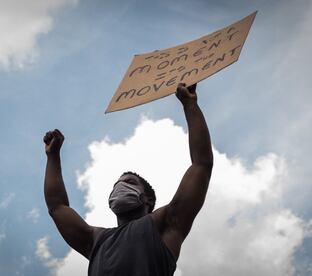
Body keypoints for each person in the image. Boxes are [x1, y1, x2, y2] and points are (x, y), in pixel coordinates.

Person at [43, 83, 213, 275]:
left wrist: (189, 104)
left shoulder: (165, 223)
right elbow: (57, 207)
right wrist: (53, 156)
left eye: (130, 182)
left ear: (147, 199)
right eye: (116, 185)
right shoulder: (95, 240)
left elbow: (201, 165)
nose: (120, 186)